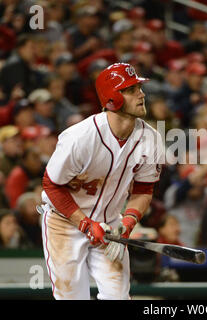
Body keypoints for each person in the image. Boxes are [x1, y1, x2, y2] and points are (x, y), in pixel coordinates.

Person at [39, 63, 164, 300]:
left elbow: (144, 189)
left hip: (109, 226)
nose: (141, 94)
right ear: (113, 98)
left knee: (118, 297)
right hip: (65, 223)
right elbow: (51, 184)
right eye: (131, 89)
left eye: (139, 87)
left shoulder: (151, 139)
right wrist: (85, 224)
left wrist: (128, 221)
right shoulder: (80, 137)